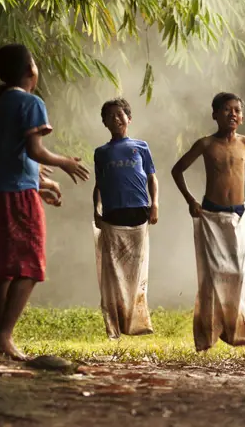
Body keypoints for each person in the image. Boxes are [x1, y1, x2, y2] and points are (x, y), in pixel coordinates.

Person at [0, 44, 89, 361]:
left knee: (3, 268)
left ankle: (2, 337)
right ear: (30, 70)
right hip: (18, 195)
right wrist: (64, 162)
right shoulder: (31, 103)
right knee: (30, 264)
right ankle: (4, 334)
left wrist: (40, 181)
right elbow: (35, 150)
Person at [171, 92, 245, 351]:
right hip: (211, 214)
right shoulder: (206, 144)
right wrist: (190, 200)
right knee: (212, 275)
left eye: (236, 110)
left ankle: (235, 329)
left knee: (237, 273)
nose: (232, 114)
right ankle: (208, 332)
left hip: (238, 214)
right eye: (226, 110)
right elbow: (177, 169)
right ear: (214, 114)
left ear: (242, 116)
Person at [92, 97, 157, 338]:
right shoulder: (101, 153)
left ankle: (136, 319)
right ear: (104, 123)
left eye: (120, 115)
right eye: (110, 116)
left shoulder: (141, 147)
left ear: (129, 118)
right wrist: (95, 211)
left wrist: (155, 204)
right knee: (114, 270)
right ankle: (117, 320)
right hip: (111, 214)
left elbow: (152, 178)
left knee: (136, 269)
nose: (116, 119)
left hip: (139, 210)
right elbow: (98, 184)